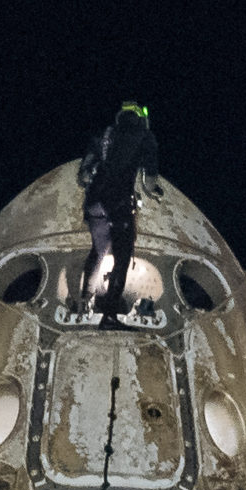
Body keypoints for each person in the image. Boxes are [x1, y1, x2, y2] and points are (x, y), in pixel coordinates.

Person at [76, 103, 159, 325]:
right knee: (122, 257)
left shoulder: (104, 136)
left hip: (94, 204)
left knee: (99, 250)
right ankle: (110, 314)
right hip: (118, 205)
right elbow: (149, 183)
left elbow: (83, 176)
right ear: (140, 118)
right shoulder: (145, 136)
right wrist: (155, 192)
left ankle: (85, 302)